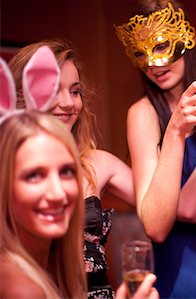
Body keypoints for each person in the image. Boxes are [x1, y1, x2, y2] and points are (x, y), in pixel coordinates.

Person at [114, 0, 196, 297]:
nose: (153, 63)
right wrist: (180, 131)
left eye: (162, 46)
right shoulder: (144, 114)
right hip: (182, 276)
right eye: (140, 53)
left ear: (186, 38)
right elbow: (155, 225)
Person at [8, 38, 135, 298]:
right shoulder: (18, 282)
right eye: (54, 89)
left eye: (75, 91)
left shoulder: (97, 162)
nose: (68, 103)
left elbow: (168, 210)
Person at [0, 111, 87, 299]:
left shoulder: (53, 266)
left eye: (66, 171)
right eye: (34, 176)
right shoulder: (21, 291)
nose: (58, 193)